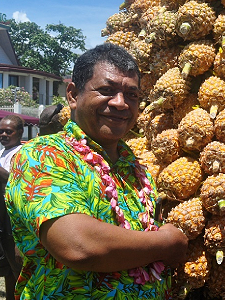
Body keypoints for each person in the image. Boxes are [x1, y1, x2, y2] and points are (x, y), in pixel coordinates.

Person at [5, 43, 188, 299]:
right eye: (106, 90)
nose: (121, 103)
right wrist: (168, 243)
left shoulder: (137, 167)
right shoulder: (44, 155)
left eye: (132, 95)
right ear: (72, 95)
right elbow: (77, 245)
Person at [0, 114, 24, 300]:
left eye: (9, 131)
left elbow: (15, 181)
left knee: (17, 268)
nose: (4, 135)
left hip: (12, 218)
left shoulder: (21, 153)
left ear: (19, 133)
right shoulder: (3, 152)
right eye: (1, 131)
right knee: (6, 268)